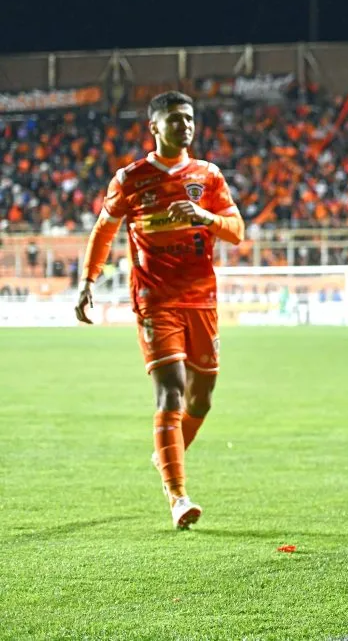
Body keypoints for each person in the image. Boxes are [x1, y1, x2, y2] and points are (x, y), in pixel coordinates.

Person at [75, 91, 244, 529]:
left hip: (201, 298)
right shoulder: (130, 179)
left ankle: (165, 452)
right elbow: (103, 230)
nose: (184, 126)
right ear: (154, 127)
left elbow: (237, 231)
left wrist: (204, 217)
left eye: (188, 119)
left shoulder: (207, 176)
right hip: (155, 299)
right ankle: (178, 496)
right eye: (174, 120)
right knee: (171, 389)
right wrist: (88, 280)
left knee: (201, 399)